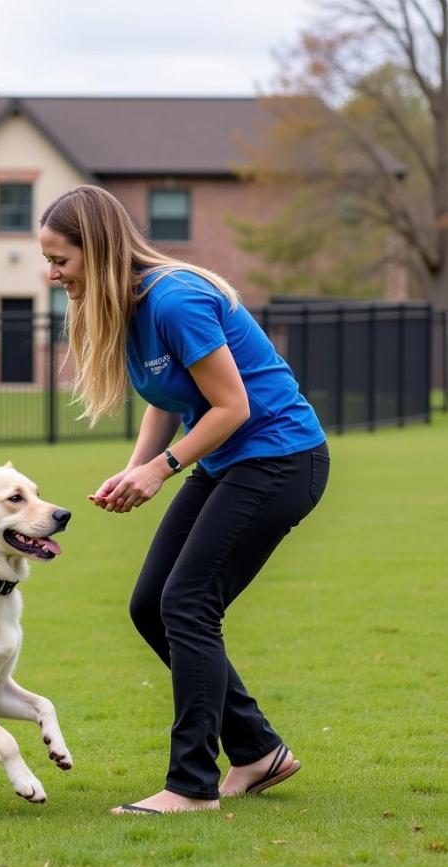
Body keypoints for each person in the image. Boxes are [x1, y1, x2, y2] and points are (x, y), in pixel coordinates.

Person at [39, 185, 330, 815]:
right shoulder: (131, 307)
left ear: (100, 249)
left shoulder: (176, 300)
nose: (52, 273)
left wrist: (164, 469)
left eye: (61, 259)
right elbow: (169, 399)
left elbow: (233, 406)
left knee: (189, 603)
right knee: (152, 605)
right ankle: (257, 752)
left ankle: (192, 785)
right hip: (229, 460)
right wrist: (135, 469)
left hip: (280, 459)